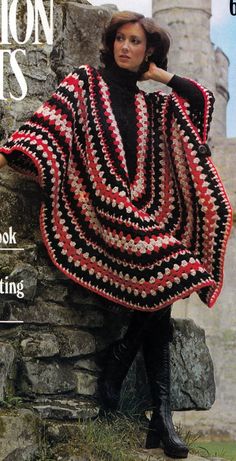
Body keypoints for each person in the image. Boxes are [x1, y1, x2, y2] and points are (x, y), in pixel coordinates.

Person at [0, 10, 232, 459]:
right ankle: (143, 393)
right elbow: (49, 126)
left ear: (149, 52)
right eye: (121, 39)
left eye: (136, 42)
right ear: (111, 44)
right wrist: (10, 156)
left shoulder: (153, 104)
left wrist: (161, 76)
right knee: (175, 267)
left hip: (145, 214)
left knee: (163, 284)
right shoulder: (85, 83)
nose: (126, 47)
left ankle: (150, 405)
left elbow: (202, 100)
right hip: (100, 209)